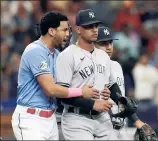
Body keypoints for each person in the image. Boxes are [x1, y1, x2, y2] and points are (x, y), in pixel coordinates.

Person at [11, 12, 98, 140]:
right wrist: (81, 91)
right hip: (31, 118)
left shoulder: (56, 54)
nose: (68, 34)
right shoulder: (35, 50)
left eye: (68, 30)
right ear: (51, 31)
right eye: (64, 30)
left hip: (50, 119)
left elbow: (64, 85)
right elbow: (50, 89)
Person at [55, 9, 137, 140]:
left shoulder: (103, 56)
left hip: (102, 118)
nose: (94, 29)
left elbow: (112, 85)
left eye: (96, 26)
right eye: (89, 26)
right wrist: (92, 104)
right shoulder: (67, 55)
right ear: (78, 29)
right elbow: (61, 95)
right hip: (77, 119)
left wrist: (122, 102)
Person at [94, 25, 158, 140]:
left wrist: (137, 121)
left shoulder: (117, 66)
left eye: (110, 43)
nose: (109, 47)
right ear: (93, 44)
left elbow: (121, 99)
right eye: (103, 44)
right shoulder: (90, 67)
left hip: (121, 124)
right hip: (101, 125)